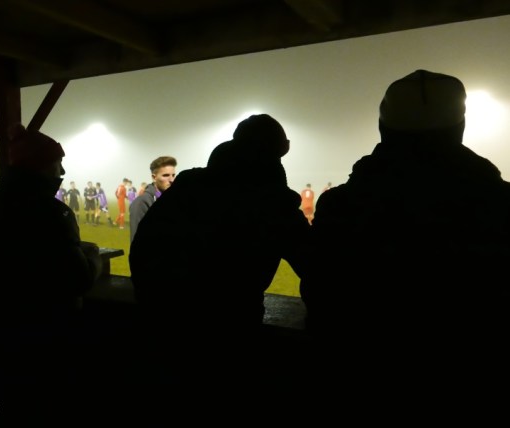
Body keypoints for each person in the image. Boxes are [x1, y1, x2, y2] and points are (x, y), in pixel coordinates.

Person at [299, 70, 510, 402]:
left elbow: (320, 295)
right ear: (459, 128)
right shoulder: (500, 204)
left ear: (384, 128)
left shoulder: (341, 205)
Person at [129, 114, 310, 413]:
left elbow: (144, 250)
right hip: (230, 334)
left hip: (163, 328)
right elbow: (316, 264)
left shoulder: (187, 188)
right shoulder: (272, 200)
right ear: (279, 151)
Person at [0, 124, 103, 422]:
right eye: (57, 163)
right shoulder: (52, 211)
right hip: (45, 333)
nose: (62, 171)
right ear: (40, 165)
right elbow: (78, 278)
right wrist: (93, 257)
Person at [129, 156, 177, 242]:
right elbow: (137, 241)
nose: (172, 180)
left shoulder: (173, 200)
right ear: (154, 177)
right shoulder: (141, 203)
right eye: (166, 175)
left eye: (173, 175)